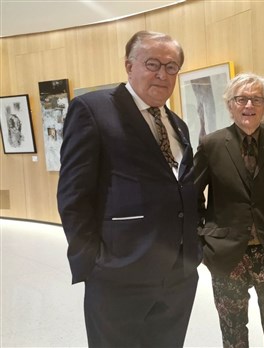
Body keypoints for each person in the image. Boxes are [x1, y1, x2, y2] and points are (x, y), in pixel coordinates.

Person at [57, 30, 201, 347]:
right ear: (129, 65)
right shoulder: (93, 110)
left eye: (172, 67)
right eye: (153, 64)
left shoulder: (178, 124)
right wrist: (93, 264)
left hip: (178, 276)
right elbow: (72, 196)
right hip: (118, 274)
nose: (163, 74)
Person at [193, 73, 264, 348]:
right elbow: (192, 196)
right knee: (233, 331)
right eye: (241, 99)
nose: (248, 105)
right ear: (230, 105)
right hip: (227, 254)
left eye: (256, 99)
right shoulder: (212, 145)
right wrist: (202, 241)